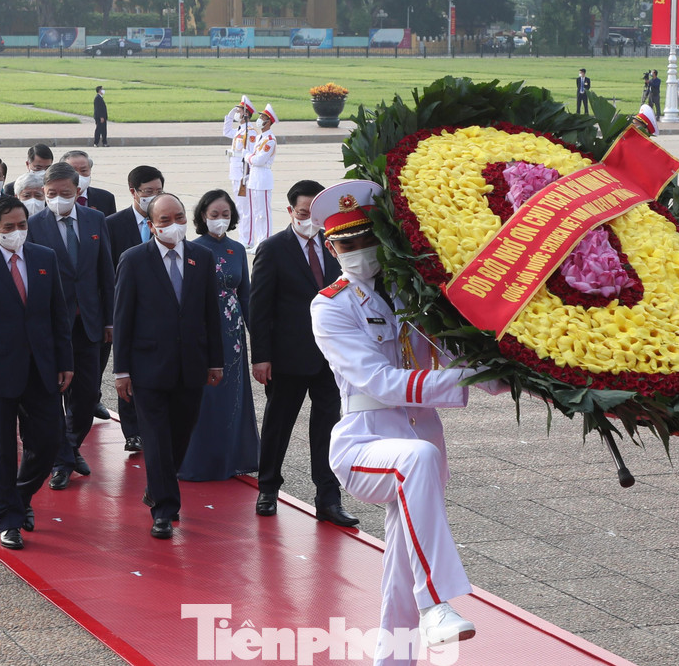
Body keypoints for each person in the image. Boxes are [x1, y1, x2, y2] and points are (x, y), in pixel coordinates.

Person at [309, 179, 508, 655]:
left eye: (365, 240)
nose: (358, 252)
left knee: (401, 566)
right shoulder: (330, 306)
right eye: (346, 245)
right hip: (365, 445)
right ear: (331, 248)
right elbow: (380, 382)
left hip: (422, 441)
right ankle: (436, 602)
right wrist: (462, 381)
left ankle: (392, 659)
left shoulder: (413, 295)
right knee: (413, 460)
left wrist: (515, 376)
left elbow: (456, 353)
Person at [0, 195, 73, 550]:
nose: (17, 232)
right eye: (9, 227)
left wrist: (66, 362)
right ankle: (8, 518)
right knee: (0, 448)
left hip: (42, 369)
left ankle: (19, 497)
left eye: (22, 225)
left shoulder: (44, 258)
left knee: (49, 442)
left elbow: (58, 316)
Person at [112, 193, 224, 539]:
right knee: (157, 440)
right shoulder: (134, 260)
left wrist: (215, 361)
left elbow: (210, 313)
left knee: (180, 435)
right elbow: (123, 318)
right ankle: (164, 509)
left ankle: (158, 485)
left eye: (178, 217)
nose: (173, 225)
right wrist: (121, 371)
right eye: (164, 220)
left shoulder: (202, 258)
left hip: (191, 365)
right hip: (148, 368)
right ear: (151, 225)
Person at [250, 179, 357, 526]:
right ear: (290, 212)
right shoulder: (273, 249)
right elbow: (259, 308)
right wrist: (261, 357)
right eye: (302, 212)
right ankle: (268, 488)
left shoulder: (337, 246)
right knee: (278, 425)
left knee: (328, 429)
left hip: (331, 357)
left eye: (315, 213)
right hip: (286, 357)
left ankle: (328, 498)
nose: (308, 219)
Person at [28, 162, 114, 491]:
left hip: (88, 321)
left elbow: (105, 272)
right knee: (53, 392)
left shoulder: (94, 220)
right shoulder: (35, 225)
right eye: (52, 194)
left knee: (87, 393)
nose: (58, 199)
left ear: (78, 192)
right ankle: (63, 459)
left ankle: (70, 445)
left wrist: (108, 318)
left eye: (65, 193)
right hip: (52, 323)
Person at [179, 190, 258, 482]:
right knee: (204, 398)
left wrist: (258, 342)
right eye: (214, 215)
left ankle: (230, 458)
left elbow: (247, 296)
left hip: (233, 335)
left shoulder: (237, 250)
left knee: (230, 397)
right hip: (202, 333)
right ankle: (196, 461)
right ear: (202, 216)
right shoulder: (191, 249)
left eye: (225, 215)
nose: (220, 220)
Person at [103, 164, 166, 451]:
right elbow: (105, 270)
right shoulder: (113, 224)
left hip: (158, 309)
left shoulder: (166, 219)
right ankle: (132, 431)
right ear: (133, 192)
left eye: (159, 191)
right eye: (148, 192)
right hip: (125, 307)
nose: (154, 197)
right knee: (125, 370)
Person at [223, 96, 259, 246]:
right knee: (240, 208)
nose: (237, 113)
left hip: (244, 174)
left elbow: (250, 154)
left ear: (246, 114)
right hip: (236, 173)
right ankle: (244, 238)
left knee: (246, 209)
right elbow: (226, 132)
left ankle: (247, 240)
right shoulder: (240, 130)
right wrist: (229, 116)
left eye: (238, 111)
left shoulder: (250, 132)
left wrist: (247, 174)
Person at [242, 104, 278, 251]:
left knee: (264, 214)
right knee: (257, 213)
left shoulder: (270, 139)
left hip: (263, 177)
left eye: (262, 117)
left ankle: (266, 243)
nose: (259, 119)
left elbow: (259, 160)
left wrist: (247, 156)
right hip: (255, 178)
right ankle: (259, 242)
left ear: (268, 121)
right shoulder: (259, 137)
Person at [61, 149, 116, 215]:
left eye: (83, 171)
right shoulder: (54, 199)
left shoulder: (106, 198)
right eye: (72, 171)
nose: (78, 176)